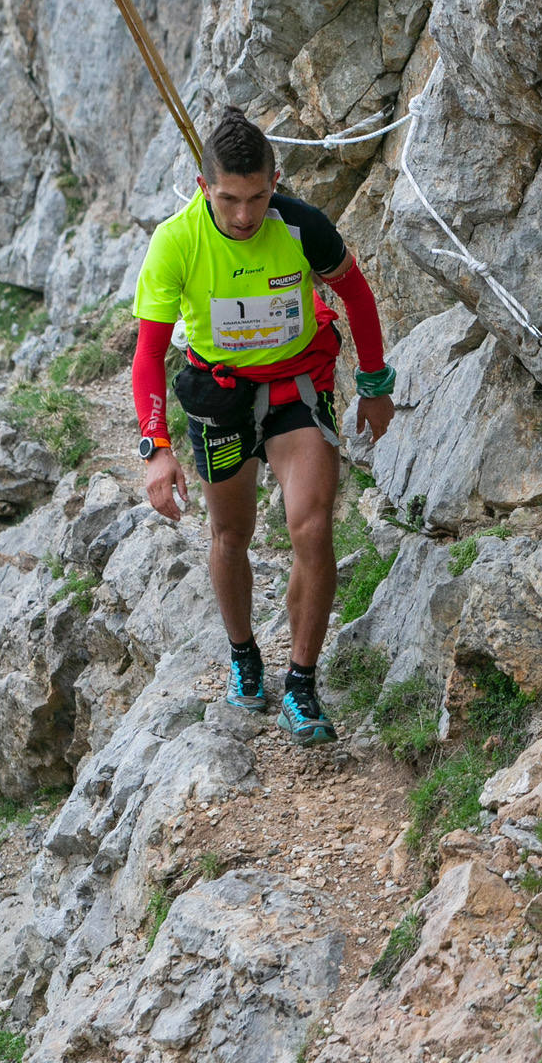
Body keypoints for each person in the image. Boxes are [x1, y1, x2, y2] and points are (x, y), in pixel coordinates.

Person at [131, 107, 395, 745]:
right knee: (231, 533)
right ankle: (245, 654)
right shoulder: (176, 241)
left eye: (256, 197)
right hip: (220, 396)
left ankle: (301, 684)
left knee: (313, 526)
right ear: (204, 187)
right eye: (228, 199)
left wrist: (375, 384)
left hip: (295, 386)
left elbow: (357, 295)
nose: (245, 215)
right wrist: (156, 447)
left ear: (275, 182)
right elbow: (149, 352)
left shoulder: (302, 225)